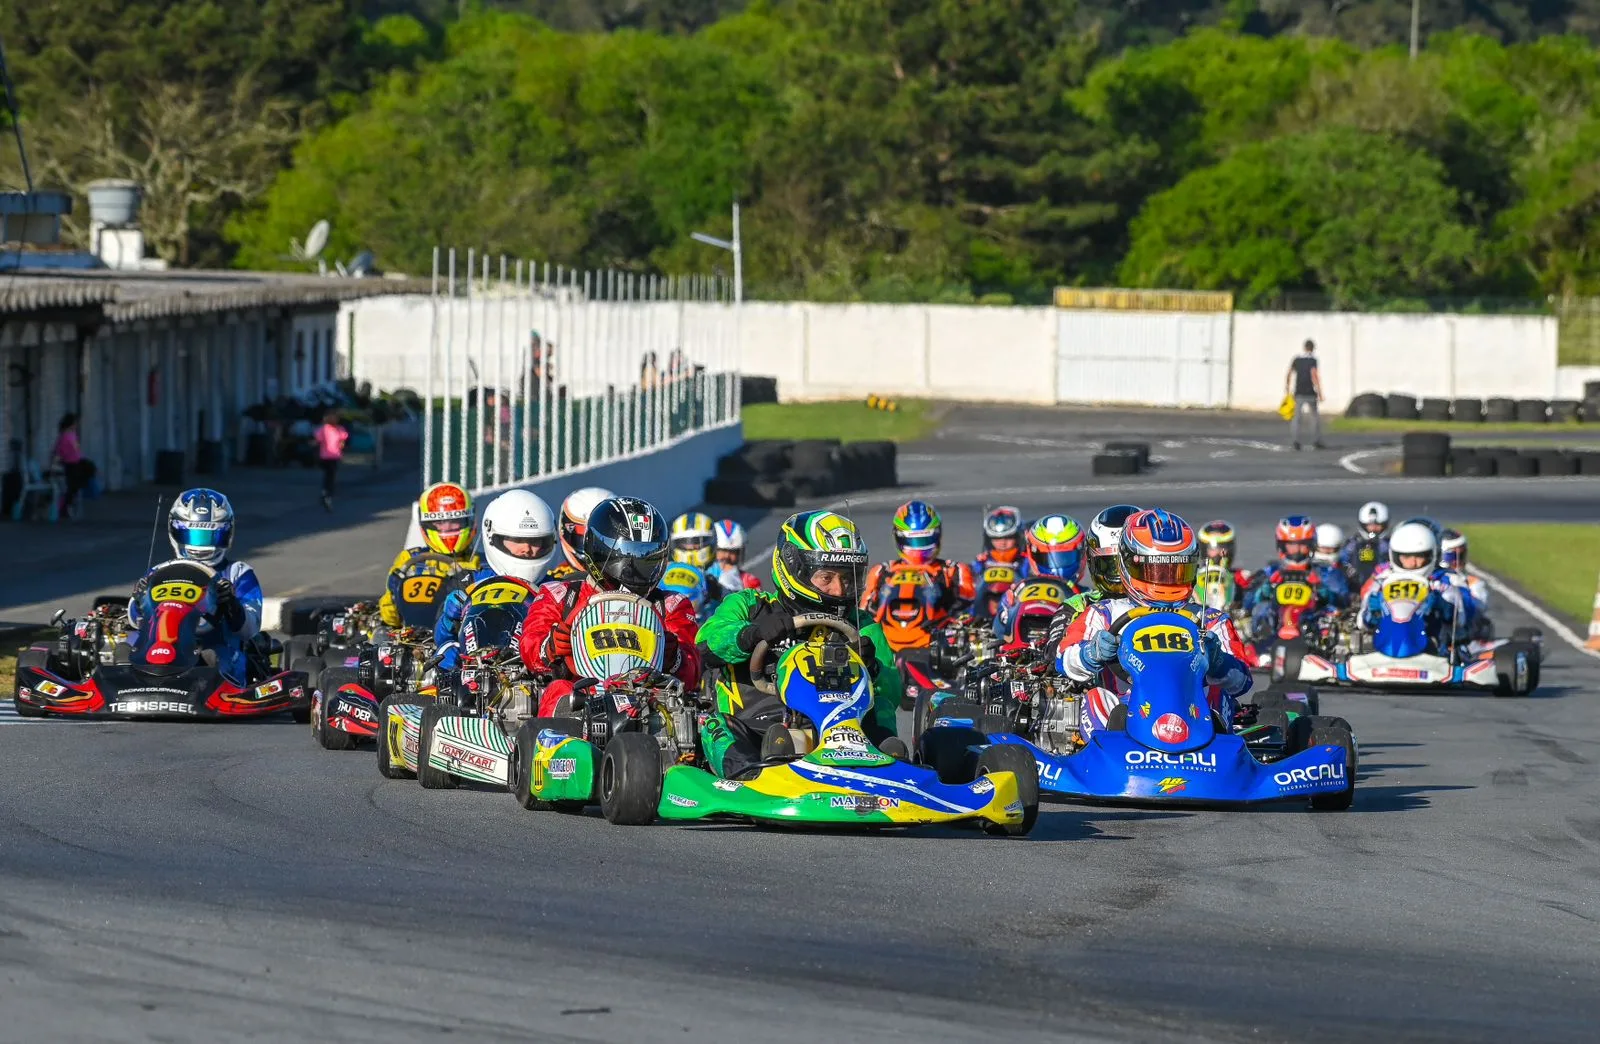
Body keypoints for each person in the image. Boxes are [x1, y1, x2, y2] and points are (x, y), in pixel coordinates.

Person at [695, 509, 904, 780]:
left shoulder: (860, 625)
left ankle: (890, 771)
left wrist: (871, 667)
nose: (840, 590)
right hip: (758, 732)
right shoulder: (751, 606)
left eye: (847, 578)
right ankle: (750, 780)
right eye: (826, 578)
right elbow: (706, 642)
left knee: (882, 712)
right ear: (794, 568)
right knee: (715, 725)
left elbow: (893, 692)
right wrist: (752, 634)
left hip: (845, 733)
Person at [1057, 508, 1253, 739]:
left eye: (1176, 570)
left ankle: (1216, 753)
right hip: (1128, 712)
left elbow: (1242, 683)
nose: (1166, 580)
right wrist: (1091, 653)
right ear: (1127, 566)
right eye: (1156, 570)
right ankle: (1106, 753)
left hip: (1192, 714)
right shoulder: (1105, 613)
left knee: (1218, 694)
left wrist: (1219, 661)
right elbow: (1064, 659)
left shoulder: (1210, 620)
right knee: (1096, 697)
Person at [518, 497, 701, 717]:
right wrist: (550, 647)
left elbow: (693, 672)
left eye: (645, 556)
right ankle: (563, 749)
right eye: (628, 556)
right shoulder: (561, 596)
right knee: (559, 691)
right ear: (599, 550)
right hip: (582, 695)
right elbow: (530, 647)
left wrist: (675, 658)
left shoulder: (670, 605)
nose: (634, 569)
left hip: (648, 701)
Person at [128, 489, 263, 685]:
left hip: (214, 644)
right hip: (159, 642)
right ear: (176, 531)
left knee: (214, 659)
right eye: (195, 535)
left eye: (210, 536)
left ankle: (211, 688)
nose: (201, 546)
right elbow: (134, 619)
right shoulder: (159, 571)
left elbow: (249, 629)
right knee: (124, 649)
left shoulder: (238, 573)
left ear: (226, 534)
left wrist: (231, 604)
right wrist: (139, 600)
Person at [431, 489, 558, 671]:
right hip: (474, 671)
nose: (527, 549)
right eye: (517, 540)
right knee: (444, 658)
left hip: (533, 675)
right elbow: (440, 635)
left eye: (536, 541)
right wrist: (447, 621)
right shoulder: (469, 582)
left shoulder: (556, 587)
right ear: (493, 538)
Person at [859, 500, 976, 651]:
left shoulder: (953, 570)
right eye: (912, 540)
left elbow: (971, 611)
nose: (918, 548)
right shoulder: (882, 571)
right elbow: (864, 615)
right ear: (899, 537)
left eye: (925, 540)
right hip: (886, 647)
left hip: (938, 644)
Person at [377, 483, 481, 630]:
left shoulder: (480, 562)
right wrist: (394, 594)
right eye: (440, 522)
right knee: (379, 636)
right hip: (417, 639)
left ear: (469, 521)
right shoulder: (409, 560)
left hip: (461, 637)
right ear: (427, 524)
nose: (447, 528)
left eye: (455, 521)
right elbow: (390, 618)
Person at [1360, 522, 1473, 651]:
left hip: (1431, 651)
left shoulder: (1442, 582)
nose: (1413, 562)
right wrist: (1372, 612)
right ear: (1396, 555)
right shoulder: (1383, 580)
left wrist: (1443, 606)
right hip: (1385, 647)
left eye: (1419, 556)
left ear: (1430, 555)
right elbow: (1361, 623)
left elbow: (1461, 619)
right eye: (1407, 557)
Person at [1241, 515, 1349, 643]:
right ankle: (1261, 643)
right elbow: (1247, 603)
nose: (1296, 550)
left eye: (1302, 545)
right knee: (1262, 608)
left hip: (1311, 628)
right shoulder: (1271, 572)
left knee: (1330, 614)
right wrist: (1266, 590)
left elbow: (1344, 602)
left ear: (1311, 545)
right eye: (1291, 545)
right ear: (1282, 546)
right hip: (1274, 630)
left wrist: (1322, 590)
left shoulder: (1326, 572)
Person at [1047, 505, 1140, 647]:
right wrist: (1090, 652)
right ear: (1093, 562)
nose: (1123, 576)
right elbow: (1055, 651)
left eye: (1130, 564)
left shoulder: (1169, 601)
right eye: (1111, 565)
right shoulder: (1077, 606)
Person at [992, 514, 1087, 640]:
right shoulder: (1017, 592)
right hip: (1017, 651)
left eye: (1065, 557)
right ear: (1032, 554)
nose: (1056, 566)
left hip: (1064, 652)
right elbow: (998, 633)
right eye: (1047, 558)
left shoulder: (1087, 597)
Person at [546, 486, 616, 582]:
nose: (592, 549)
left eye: (603, 539)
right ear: (564, 530)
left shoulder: (629, 575)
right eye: (584, 536)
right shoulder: (554, 581)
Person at [969, 506, 1023, 619]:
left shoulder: (1025, 560)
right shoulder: (981, 561)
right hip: (982, 611)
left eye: (1008, 538)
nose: (1003, 543)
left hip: (1016, 609)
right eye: (997, 539)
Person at [51, 413, 96, 519]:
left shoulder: (72, 435)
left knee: (89, 468)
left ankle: (71, 499)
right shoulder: (64, 437)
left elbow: (77, 450)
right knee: (73, 484)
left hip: (76, 461)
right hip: (70, 463)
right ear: (70, 424)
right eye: (74, 423)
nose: (76, 425)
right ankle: (65, 504)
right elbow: (58, 453)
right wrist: (54, 465)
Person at [1339, 501, 1391, 586]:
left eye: (1378, 525)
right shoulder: (1353, 543)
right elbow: (1342, 560)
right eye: (1370, 525)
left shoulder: (1390, 544)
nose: (1373, 528)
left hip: (1382, 583)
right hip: (1355, 584)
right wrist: (1349, 571)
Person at [1286, 339, 1324, 451]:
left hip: (1299, 392)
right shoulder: (1313, 360)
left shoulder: (1297, 359)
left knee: (1297, 418)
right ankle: (1316, 440)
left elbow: (1289, 373)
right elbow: (1314, 375)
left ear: (1304, 347)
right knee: (1314, 417)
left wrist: (1287, 388)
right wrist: (1320, 391)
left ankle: (1295, 441)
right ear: (1312, 348)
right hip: (1310, 392)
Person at [709, 519, 763, 595]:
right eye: (722, 550)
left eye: (732, 552)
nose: (727, 556)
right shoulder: (703, 576)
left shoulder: (750, 582)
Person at [314, 411, 348, 512]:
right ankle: (327, 493)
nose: (334, 420)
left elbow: (342, 440)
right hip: (325, 456)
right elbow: (317, 439)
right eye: (331, 418)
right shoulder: (323, 429)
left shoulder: (340, 429)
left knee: (330, 475)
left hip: (334, 456)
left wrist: (342, 445)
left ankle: (326, 493)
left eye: (335, 418)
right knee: (329, 474)